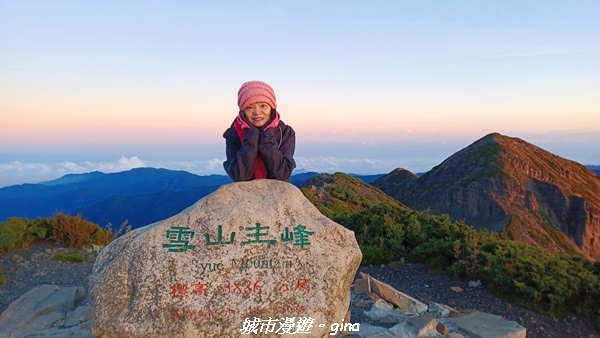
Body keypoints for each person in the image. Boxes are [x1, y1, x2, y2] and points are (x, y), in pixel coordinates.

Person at [223, 80, 296, 182]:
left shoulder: (285, 133)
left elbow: (282, 175)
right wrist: (251, 136)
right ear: (243, 112)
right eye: (250, 107)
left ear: (272, 108)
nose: (257, 112)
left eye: (263, 106)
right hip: (246, 195)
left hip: (278, 194)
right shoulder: (233, 134)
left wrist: (267, 135)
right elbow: (240, 176)